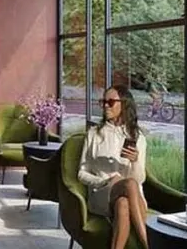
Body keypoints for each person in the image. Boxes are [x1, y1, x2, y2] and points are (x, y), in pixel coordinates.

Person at [78, 85, 148, 249]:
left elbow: (139, 180)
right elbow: (81, 173)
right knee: (129, 184)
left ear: (124, 104)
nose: (105, 106)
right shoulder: (94, 134)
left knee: (123, 202)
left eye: (110, 102)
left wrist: (135, 161)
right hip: (102, 194)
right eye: (103, 101)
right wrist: (105, 181)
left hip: (132, 197)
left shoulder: (137, 137)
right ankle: (148, 243)